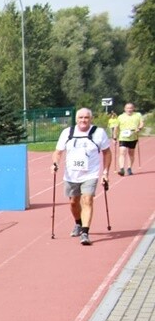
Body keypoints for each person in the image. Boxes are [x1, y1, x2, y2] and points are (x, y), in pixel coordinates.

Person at [52, 108, 112, 247]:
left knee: (87, 200)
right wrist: (55, 163)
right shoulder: (67, 132)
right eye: (81, 117)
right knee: (73, 202)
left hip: (90, 173)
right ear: (76, 119)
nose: (83, 120)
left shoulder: (99, 133)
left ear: (91, 119)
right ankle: (78, 223)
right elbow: (58, 152)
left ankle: (85, 233)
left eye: (86, 117)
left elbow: (107, 153)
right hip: (71, 175)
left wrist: (105, 173)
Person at [116, 102, 145, 176]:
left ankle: (129, 168)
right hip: (123, 136)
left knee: (131, 153)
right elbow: (116, 127)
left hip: (133, 136)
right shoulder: (120, 117)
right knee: (122, 151)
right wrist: (114, 137)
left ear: (133, 108)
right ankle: (122, 169)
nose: (129, 110)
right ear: (125, 109)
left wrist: (139, 128)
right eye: (127, 108)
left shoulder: (138, 115)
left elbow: (142, 123)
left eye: (131, 108)